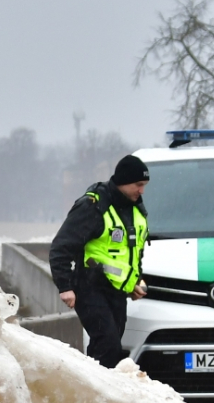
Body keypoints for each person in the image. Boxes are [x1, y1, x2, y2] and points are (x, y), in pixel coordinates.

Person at [49, 154, 151, 369]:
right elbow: (61, 247)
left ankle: (99, 391)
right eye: (138, 185)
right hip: (89, 286)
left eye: (144, 185)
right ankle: (99, 395)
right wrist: (65, 286)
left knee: (110, 348)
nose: (142, 191)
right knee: (107, 344)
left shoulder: (135, 210)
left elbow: (132, 252)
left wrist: (134, 282)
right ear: (124, 181)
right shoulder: (93, 206)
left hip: (117, 290)